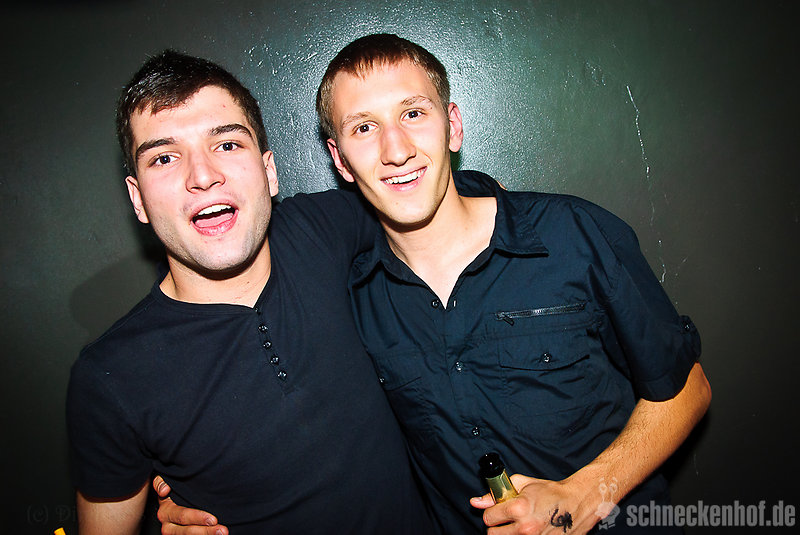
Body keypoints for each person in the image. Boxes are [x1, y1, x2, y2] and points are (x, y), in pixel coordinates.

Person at [156, 34, 712, 534]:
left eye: (413, 113)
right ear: (340, 160)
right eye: (364, 128)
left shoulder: (572, 234)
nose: (396, 149)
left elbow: (687, 389)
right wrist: (196, 490)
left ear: (453, 125)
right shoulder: (351, 295)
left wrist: (585, 494)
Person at [65, 49, 441, 535]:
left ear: (269, 171)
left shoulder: (324, 228)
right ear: (138, 199)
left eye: (226, 144)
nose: (203, 176)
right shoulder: (111, 377)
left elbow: (455, 199)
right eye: (164, 157)